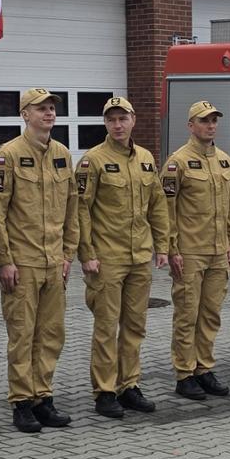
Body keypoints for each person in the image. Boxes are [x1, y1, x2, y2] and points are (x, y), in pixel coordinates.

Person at [0, 88, 79, 434]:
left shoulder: (61, 154)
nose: (49, 113)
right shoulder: (8, 155)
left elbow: (72, 207)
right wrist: (4, 260)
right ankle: (22, 401)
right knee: (22, 334)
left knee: (51, 333)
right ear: (24, 114)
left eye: (52, 108)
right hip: (22, 262)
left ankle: (44, 395)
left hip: (54, 261)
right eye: (41, 108)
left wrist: (68, 253)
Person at [74, 97, 170, 418]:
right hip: (107, 258)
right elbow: (81, 212)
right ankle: (104, 391)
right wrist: (86, 253)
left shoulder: (145, 158)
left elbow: (157, 204)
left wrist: (163, 246)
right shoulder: (92, 161)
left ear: (133, 120)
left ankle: (129, 385)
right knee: (106, 327)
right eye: (112, 119)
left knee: (134, 326)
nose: (118, 125)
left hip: (140, 256)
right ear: (105, 123)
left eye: (123, 118)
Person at [163, 101, 230, 401]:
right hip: (190, 251)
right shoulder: (177, 162)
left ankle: (204, 369)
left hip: (219, 251)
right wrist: (172, 248)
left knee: (210, 314)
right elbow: (165, 209)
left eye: (214, 121)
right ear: (190, 125)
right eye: (204, 121)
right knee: (187, 314)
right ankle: (184, 373)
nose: (210, 126)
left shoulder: (222, 160)